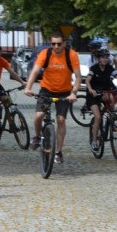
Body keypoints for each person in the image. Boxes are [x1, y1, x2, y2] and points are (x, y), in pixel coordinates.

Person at [25, 34, 80, 164]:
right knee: (39, 116)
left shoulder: (71, 55)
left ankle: (59, 152)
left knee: (61, 120)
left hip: (64, 92)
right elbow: (35, 71)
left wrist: (74, 93)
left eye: (59, 44)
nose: (56, 46)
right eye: (53, 44)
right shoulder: (45, 54)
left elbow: (78, 77)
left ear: (64, 43)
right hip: (46, 90)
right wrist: (28, 87)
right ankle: (37, 137)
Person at [85, 46, 117, 152]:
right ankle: (94, 141)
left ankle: (113, 120)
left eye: (107, 57)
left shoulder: (109, 69)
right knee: (98, 117)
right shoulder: (94, 68)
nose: (105, 59)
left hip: (104, 92)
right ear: (99, 59)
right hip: (93, 94)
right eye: (103, 57)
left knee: (111, 101)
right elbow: (88, 80)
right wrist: (90, 89)